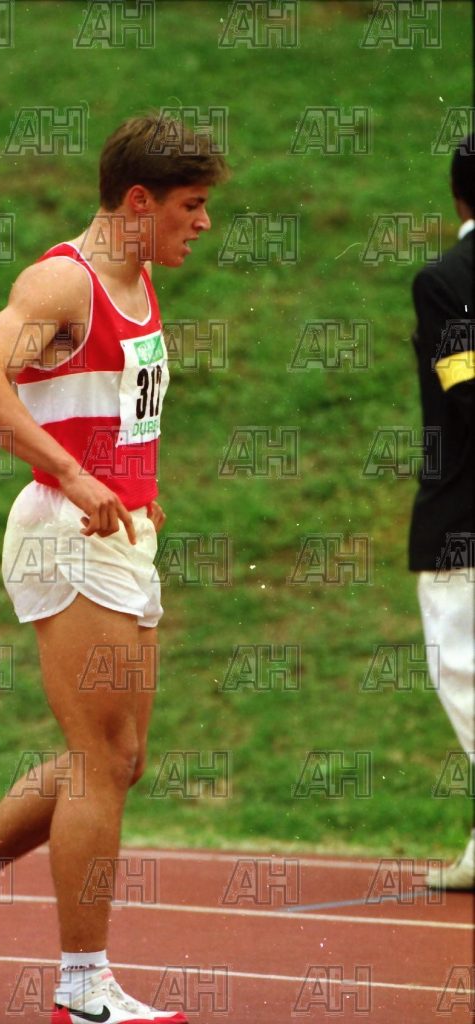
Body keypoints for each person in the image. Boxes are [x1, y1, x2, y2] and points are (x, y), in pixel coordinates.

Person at [0, 113, 229, 1023]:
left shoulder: (137, 276)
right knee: (98, 761)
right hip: (63, 533)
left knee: (118, 759)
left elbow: (112, 402)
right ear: (138, 201)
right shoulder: (61, 282)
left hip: (118, 534)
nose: (203, 223)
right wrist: (75, 475)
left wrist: (137, 485)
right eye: (191, 206)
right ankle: (82, 990)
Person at [408, 132, 474, 890]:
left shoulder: (445, 278)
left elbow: (464, 391)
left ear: (458, 196)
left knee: (461, 673)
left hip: (461, 517)